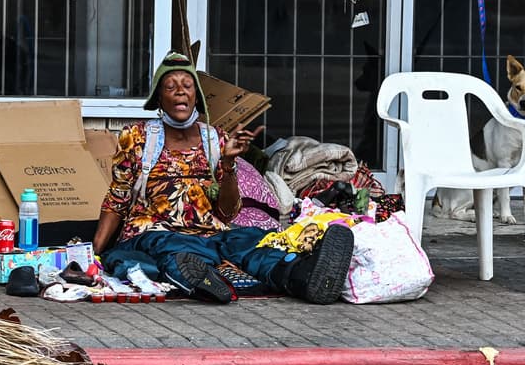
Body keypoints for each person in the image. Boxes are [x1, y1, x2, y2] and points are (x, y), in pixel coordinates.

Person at [92, 51, 353, 304]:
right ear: (159, 98)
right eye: (170, 87)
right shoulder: (136, 137)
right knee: (171, 247)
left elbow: (227, 213)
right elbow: (118, 198)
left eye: (187, 86)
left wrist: (228, 164)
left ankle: (301, 276)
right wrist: (95, 254)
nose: (180, 91)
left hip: (209, 234)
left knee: (252, 241)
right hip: (153, 232)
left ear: (197, 97)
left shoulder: (216, 139)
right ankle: (201, 277)